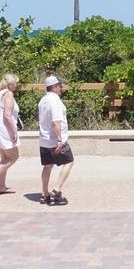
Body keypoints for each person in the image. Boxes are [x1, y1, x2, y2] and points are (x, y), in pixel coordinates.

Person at [38, 75, 74, 206]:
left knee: (47, 166)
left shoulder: (43, 100)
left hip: (44, 140)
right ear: (53, 87)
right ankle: (56, 190)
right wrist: (59, 140)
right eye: (60, 85)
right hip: (55, 140)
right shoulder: (55, 101)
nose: (61, 88)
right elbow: (56, 122)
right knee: (69, 162)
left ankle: (44, 194)